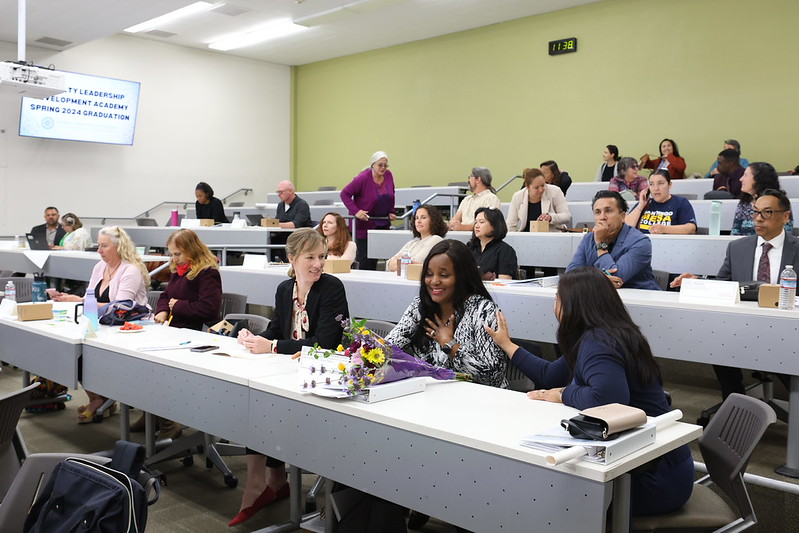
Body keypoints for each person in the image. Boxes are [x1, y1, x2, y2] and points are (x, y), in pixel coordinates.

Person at [486, 267, 694, 517]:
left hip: (653, 475)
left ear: (574, 305)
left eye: (558, 300)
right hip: (648, 460)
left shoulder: (599, 342)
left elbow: (607, 401)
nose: (554, 307)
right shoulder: (596, 334)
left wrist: (563, 394)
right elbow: (550, 376)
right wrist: (507, 344)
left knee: (540, 493)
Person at [231, 228, 349, 526]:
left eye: (322, 256)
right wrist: (253, 337)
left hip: (321, 378)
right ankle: (267, 480)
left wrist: (272, 346)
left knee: (268, 404)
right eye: (310, 257)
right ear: (292, 258)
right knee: (254, 398)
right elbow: (277, 328)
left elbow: (325, 344)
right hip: (286, 373)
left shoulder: (332, 288)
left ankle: (271, 481)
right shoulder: (285, 289)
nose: (318, 264)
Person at [671, 190, 799, 399]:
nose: (758, 218)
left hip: (788, 329)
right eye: (755, 212)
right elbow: (724, 285)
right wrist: (699, 283)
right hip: (742, 325)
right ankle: (736, 406)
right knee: (718, 343)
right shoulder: (738, 247)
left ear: (785, 216)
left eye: (767, 213)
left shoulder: (797, 249)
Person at [52, 226, 150, 423]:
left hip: (130, 327)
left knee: (90, 353)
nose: (99, 250)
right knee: (74, 350)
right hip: (101, 324)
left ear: (118, 247)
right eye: (99, 245)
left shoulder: (130, 270)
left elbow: (121, 307)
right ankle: (97, 398)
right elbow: (89, 298)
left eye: (104, 246)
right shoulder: (99, 267)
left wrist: (77, 301)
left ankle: (102, 399)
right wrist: (70, 298)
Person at [384, 239, 508, 388]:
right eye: (429, 274)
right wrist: (364, 356)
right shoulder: (421, 306)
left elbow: (493, 377)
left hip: (480, 400)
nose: (434, 281)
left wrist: (450, 345)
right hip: (433, 397)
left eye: (444, 275)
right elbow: (389, 346)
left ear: (463, 276)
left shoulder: (483, 311)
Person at [567, 190, 660, 290]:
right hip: (602, 299)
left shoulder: (640, 242)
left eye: (608, 211)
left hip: (640, 300)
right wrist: (598, 280)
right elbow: (570, 276)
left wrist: (601, 244)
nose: (602, 217)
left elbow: (617, 278)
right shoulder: (588, 239)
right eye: (598, 212)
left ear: (623, 216)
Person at [154, 229, 222, 331]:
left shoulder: (207, 272)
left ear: (191, 250)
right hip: (177, 328)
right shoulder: (178, 270)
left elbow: (209, 308)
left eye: (177, 254)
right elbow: (166, 295)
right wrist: (163, 310)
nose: (174, 259)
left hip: (197, 330)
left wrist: (178, 305)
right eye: (171, 254)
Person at [340, 151, 397, 270]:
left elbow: (391, 194)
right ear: (373, 165)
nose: (383, 168)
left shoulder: (388, 175)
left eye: (385, 165)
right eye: (380, 165)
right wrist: (356, 211)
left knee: (379, 256)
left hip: (382, 222)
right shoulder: (363, 178)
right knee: (366, 260)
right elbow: (344, 194)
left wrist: (391, 211)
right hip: (364, 224)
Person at [625, 169, 697, 234]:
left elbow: (691, 228)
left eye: (660, 183)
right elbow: (625, 228)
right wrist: (640, 206)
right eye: (651, 184)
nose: (656, 188)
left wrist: (665, 229)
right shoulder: (644, 203)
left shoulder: (681, 202)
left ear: (670, 185)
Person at [732, 162, 794, 236]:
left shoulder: (778, 202)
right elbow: (735, 231)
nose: (741, 179)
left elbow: (786, 232)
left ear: (758, 179)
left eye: (745, 175)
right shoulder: (745, 202)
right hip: (745, 246)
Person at [386, 204, 447, 272]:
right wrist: (406, 263)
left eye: (423, 217)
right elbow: (388, 264)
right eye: (416, 218)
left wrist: (399, 261)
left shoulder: (435, 239)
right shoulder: (412, 243)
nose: (418, 221)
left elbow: (413, 267)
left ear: (433, 220)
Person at [507, 168, 571, 231]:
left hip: (551, 234)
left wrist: (551, 217)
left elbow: (567, 216)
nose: (540, 190)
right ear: (527, 186)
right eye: (536, 187)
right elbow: (511, 224)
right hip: (526, 236)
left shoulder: (555, 191)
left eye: (543, 185)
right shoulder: (517, 196)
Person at [468, 207, 518, 280]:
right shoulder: (470, 247)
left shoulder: (505, 250)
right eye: (475, 222)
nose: (476, 226)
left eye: (481, 222)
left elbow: (504, 282)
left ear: (494, 225)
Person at [447, 167, 501, 231]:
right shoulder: (467, 199)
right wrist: (453, 225)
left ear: (478, 179)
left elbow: (488, 224)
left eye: (470, 177)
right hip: (462, 234)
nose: (469, 180)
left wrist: (463, 227)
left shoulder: (491, 198)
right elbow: (456, 218)